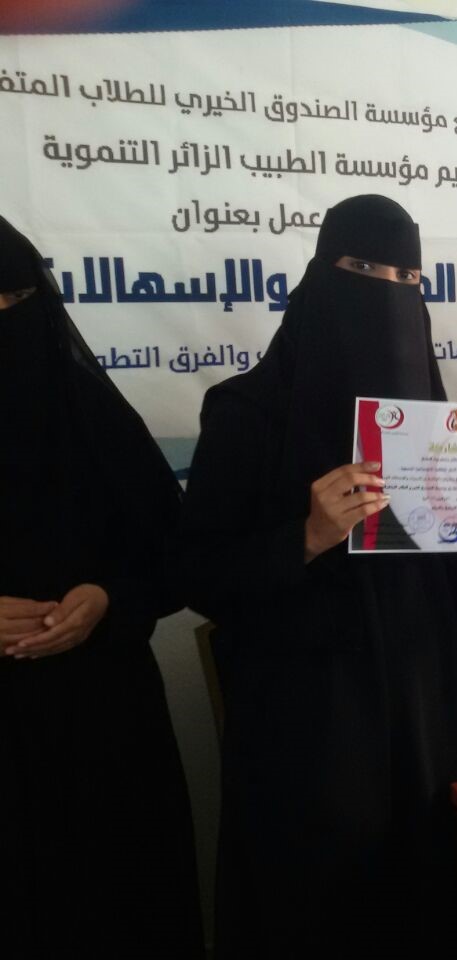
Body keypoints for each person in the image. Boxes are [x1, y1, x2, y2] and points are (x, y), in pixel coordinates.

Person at [179, 195, 457, 957]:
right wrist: (307, 536)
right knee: (319, 910)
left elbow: (446, 575)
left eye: (407, 278)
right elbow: (198, 574)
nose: (388, 292)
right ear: (322, 276)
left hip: (423, 711)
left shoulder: (433, 420)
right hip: (305, 723)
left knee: (422, 896)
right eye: (364, 269)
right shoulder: (246, 415)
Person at [0, 215, 202, 957]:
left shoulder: (91, 415)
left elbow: (171, 555)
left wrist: (109, 600)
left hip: (107, 722)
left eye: (13, 301)